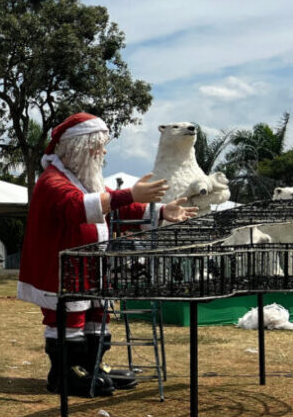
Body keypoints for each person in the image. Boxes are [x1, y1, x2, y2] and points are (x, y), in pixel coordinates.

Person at [18, 113, 197, 398]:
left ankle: (93, 367)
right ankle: (66, 373)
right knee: (68, 319)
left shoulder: (85, 180)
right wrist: (130, 194)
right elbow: (78, 206)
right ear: (79, 148)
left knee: (96, 316)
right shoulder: (52, 182)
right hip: (63, 270)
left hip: (91, 267)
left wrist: (163, 211)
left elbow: (116, 206)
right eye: (97, 147)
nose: (103, 153)